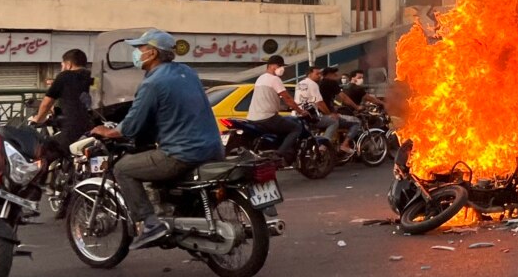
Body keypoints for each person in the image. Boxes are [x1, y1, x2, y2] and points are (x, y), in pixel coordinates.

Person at [89, 29, 223, 250]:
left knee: (123, 168)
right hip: (213, 148)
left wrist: (107, 131)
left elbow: (130, 126)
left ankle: (150, 223)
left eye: (140, 49)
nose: (137, 54)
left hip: (182, 153)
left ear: (152, 53)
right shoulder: (187, 72)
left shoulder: (152, 83)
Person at [29, 48, 93, 155]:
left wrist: (38, 119)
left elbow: (46, 102)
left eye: (62, 65)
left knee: (44, 150)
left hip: (72, 129)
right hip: (92, 127)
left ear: (68, 64)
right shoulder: (93, 77)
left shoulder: (64, 76)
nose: (62, 68)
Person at [248, 55, 309, 164]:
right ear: (271, 66)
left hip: (253, 117)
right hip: (267, 117)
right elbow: (287, 98)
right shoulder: (275, 79)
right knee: (296, 128)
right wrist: (301, 111)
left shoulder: (260, 78)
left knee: (284, 122)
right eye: (280, 65)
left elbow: (267, 98)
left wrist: (281, 107)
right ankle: (279, 154)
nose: (282, 68)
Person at [337, 69, 386, 152]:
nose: (361, 79)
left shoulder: (345, 87)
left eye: (362, 77)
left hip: (344, 112)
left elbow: (358, 99)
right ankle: (364, 144)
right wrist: (383, 103)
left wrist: (364, 105)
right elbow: (370, 98)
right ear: (352, 78)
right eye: (359, 77)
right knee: (375, 121)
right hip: (351, 113)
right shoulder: (357, 88)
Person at [295, 66, 339, 140]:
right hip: (310, 116)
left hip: (298, 114)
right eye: (317, 74)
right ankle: (324, 144)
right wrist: (329, 114)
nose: (319, 76)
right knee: (333, 122)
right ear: (309, 74)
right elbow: (319, 103)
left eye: (320, 74)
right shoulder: (313, 84)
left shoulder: (299, 83)